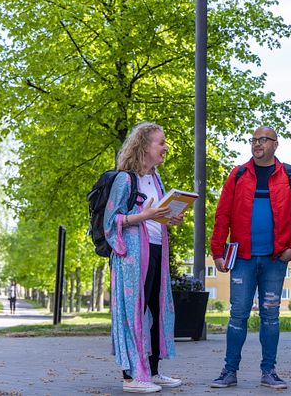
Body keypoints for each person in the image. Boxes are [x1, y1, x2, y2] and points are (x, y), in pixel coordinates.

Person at [209, 126, 291, 390]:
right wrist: (217, 251)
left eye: (263, 140)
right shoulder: (238, 174)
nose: (257, 144)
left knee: (271, 317)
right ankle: (229, 371)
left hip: (275, 260)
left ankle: (269, 372)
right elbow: (222, 215)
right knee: (237, 316)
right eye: (253, 140)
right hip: (242, 258)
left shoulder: (289, 175)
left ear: (276, 144)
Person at [104, 122, 184, 394]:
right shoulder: (125, 179)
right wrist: (143, 217)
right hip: (133, 258)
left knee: (157, 309)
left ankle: (152, 370)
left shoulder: (156, 179)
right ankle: (130, 376)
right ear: (144, 146)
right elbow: (111, 220)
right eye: (160, 143)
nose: (165, 147)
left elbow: (154, 215)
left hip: (156, 250)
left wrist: (170, 218)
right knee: (133, 312)